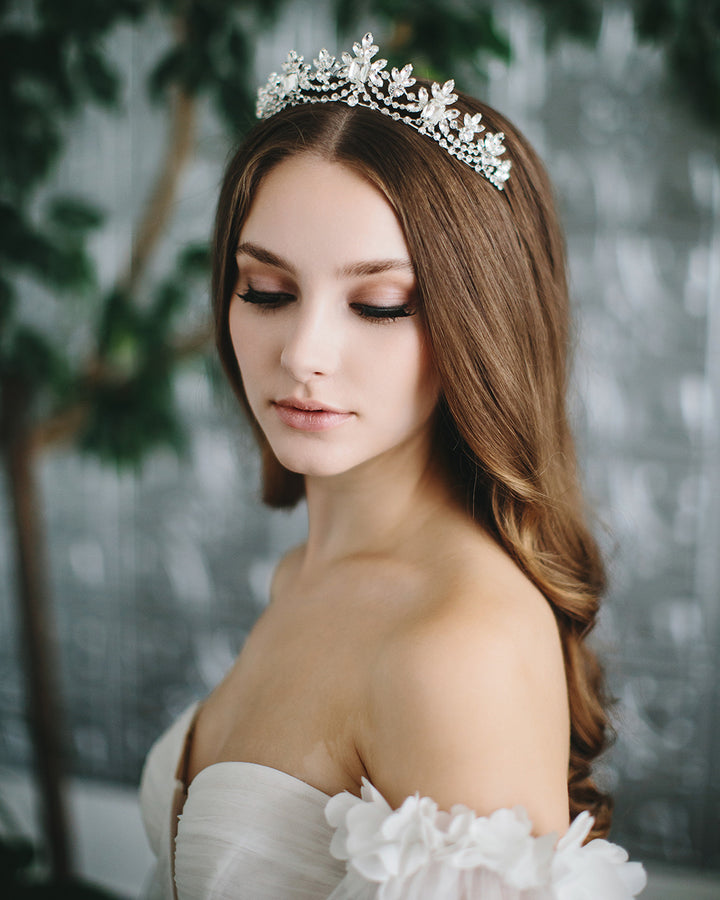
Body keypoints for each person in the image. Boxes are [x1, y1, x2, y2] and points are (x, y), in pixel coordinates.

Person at [139, 32, 646, 899]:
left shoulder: (455, 648)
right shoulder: (304, 571)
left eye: (379, 305)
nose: (304, 352)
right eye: (266, 289)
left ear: (476, 329)